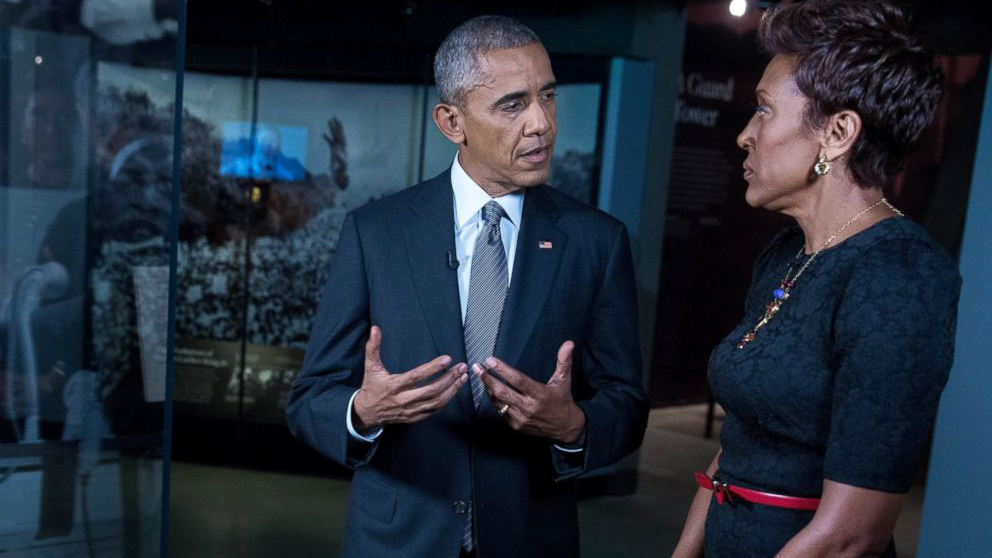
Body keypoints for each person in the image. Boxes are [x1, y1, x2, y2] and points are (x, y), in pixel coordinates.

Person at [286, 15, 649, 558]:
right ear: (452, 121)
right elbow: (310, 398)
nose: (542, 124)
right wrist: (363, 411)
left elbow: (626, 401)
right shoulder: (376, 233)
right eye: (512, 104)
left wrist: (573, 424)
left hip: (531, 539)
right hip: (396, 540)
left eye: (547, 96)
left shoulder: (597, 242)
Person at [671, 1, 961, 557]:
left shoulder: (899, 273)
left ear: (838, 132)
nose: (744, 135)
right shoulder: (786, 253)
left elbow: (853, 534)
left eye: (762, 110)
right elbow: (738, 441)